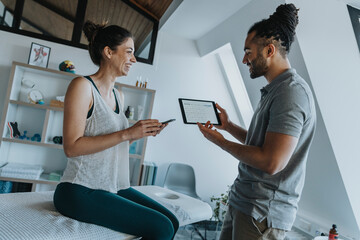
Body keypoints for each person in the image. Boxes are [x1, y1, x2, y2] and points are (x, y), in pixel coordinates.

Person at [197, 3, 316, 240]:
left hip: (262, 214)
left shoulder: (291, 93)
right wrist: (228, 127)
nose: (244, 59)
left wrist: (220, 142)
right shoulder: (275, 90)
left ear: (269, 51)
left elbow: (271, 161)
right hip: (245, 204)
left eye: (248, 52)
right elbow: (262, 145)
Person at [53, 21, 179, 240]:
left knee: (173, 221)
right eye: (129, 52)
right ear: (108, 52)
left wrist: (139, 133)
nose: (134, 59)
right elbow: (72, 147)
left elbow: (112, 144)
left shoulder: (119, 96)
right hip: (78, 190)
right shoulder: (82, 86)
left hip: (110, 185)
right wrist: (127, 133)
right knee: (162, 228)